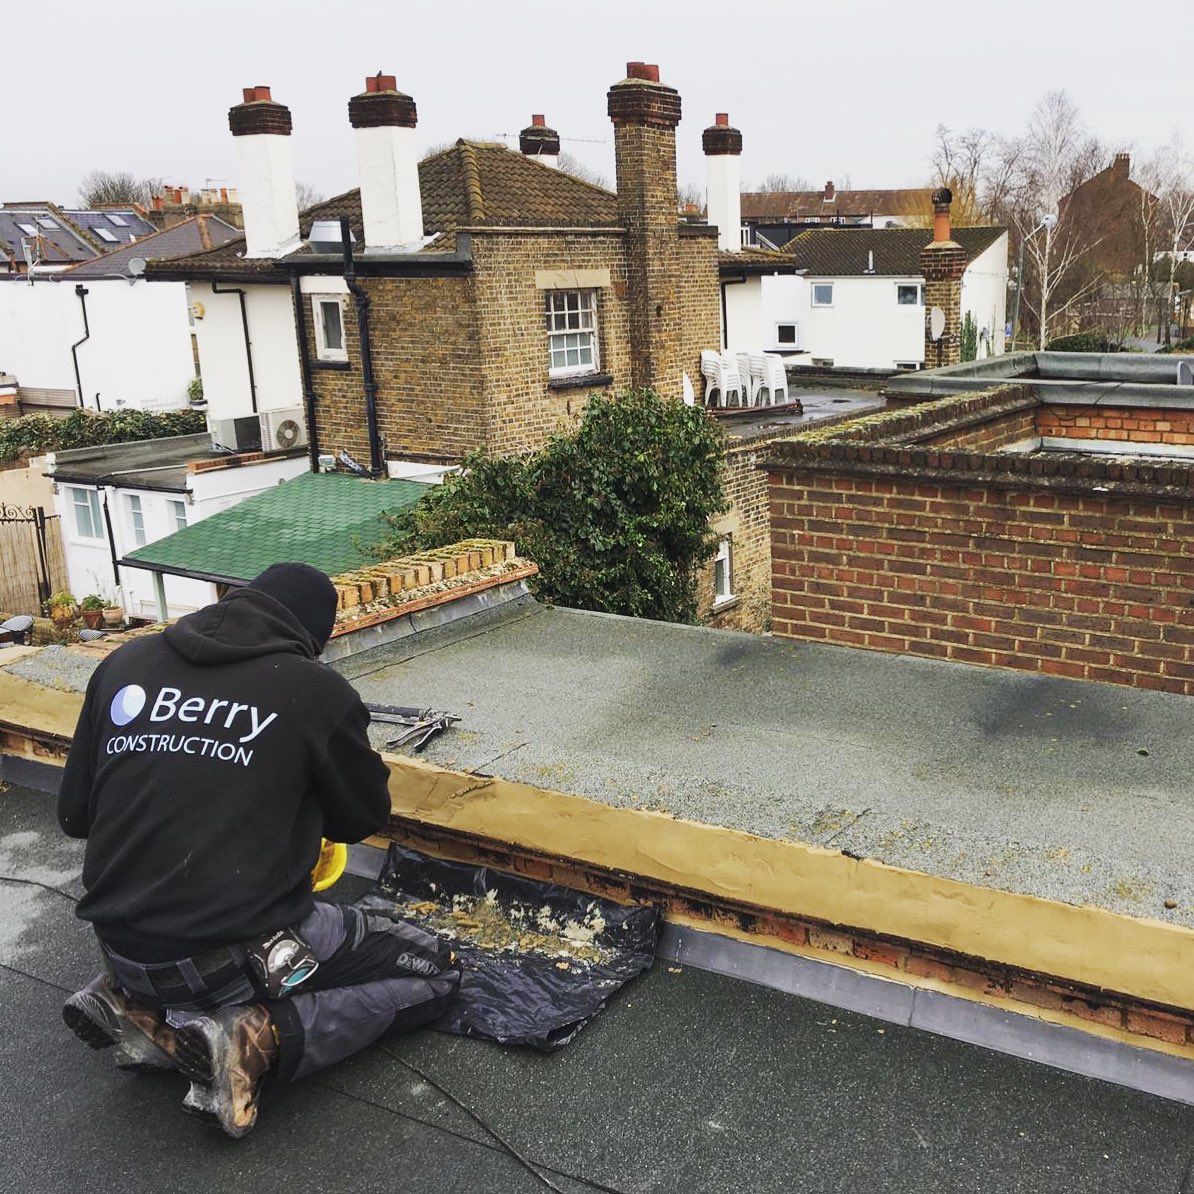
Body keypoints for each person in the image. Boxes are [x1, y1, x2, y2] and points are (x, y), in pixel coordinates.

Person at [57, 562, 460, 1139]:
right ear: (310, 635)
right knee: (438, 971)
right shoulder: (315, 692)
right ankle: (252, 1040)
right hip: (229, 958)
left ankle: (138, 1013)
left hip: (119, 948)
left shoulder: (124, 664)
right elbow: (361, 819)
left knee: (177, 945)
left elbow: (74, 816)